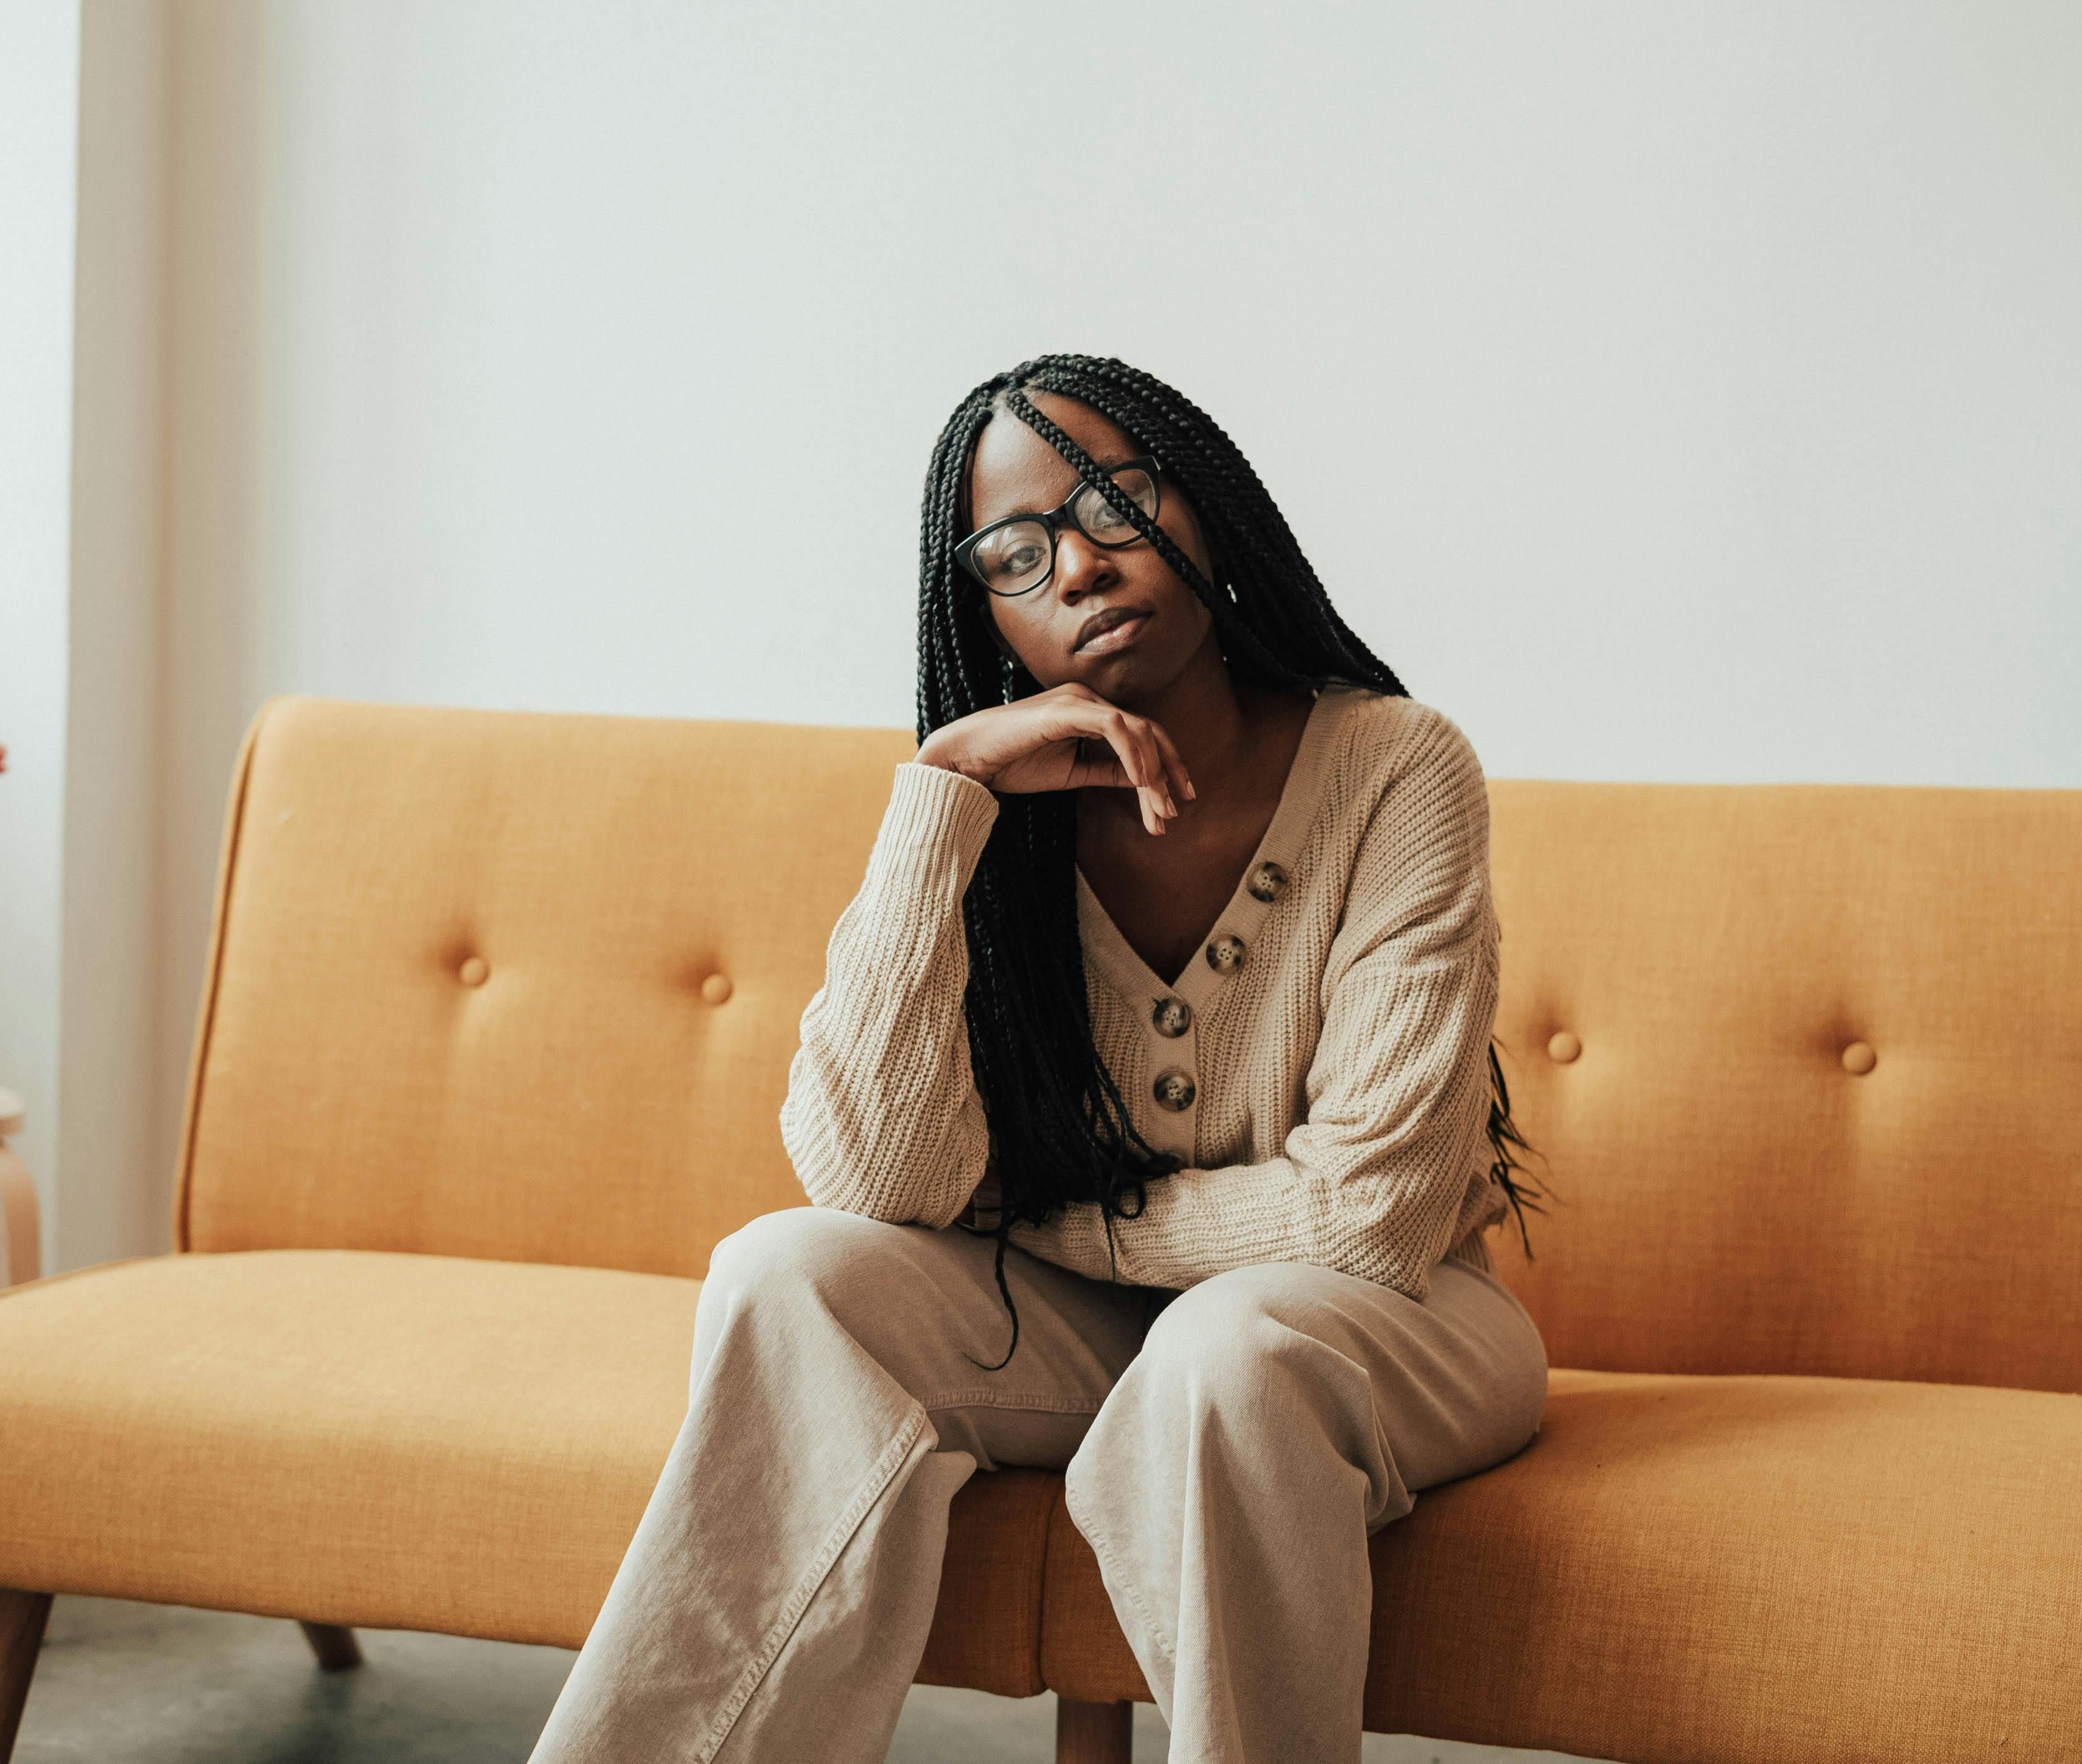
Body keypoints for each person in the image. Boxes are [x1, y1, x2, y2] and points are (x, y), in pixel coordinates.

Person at [527, 353, 1552, 1764]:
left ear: (1202, 513)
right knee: (784, 1268)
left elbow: (1367, 1218)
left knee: (1229, 1348)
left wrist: (1050, 1217)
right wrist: (942, 801)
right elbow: (879, 1180)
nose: (1076, 567)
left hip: (1388, 1329)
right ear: (986, 610)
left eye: (1113, 506)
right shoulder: (994, 813)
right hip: (1079, 1331)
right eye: (1017, 552)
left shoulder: (1395, 765)